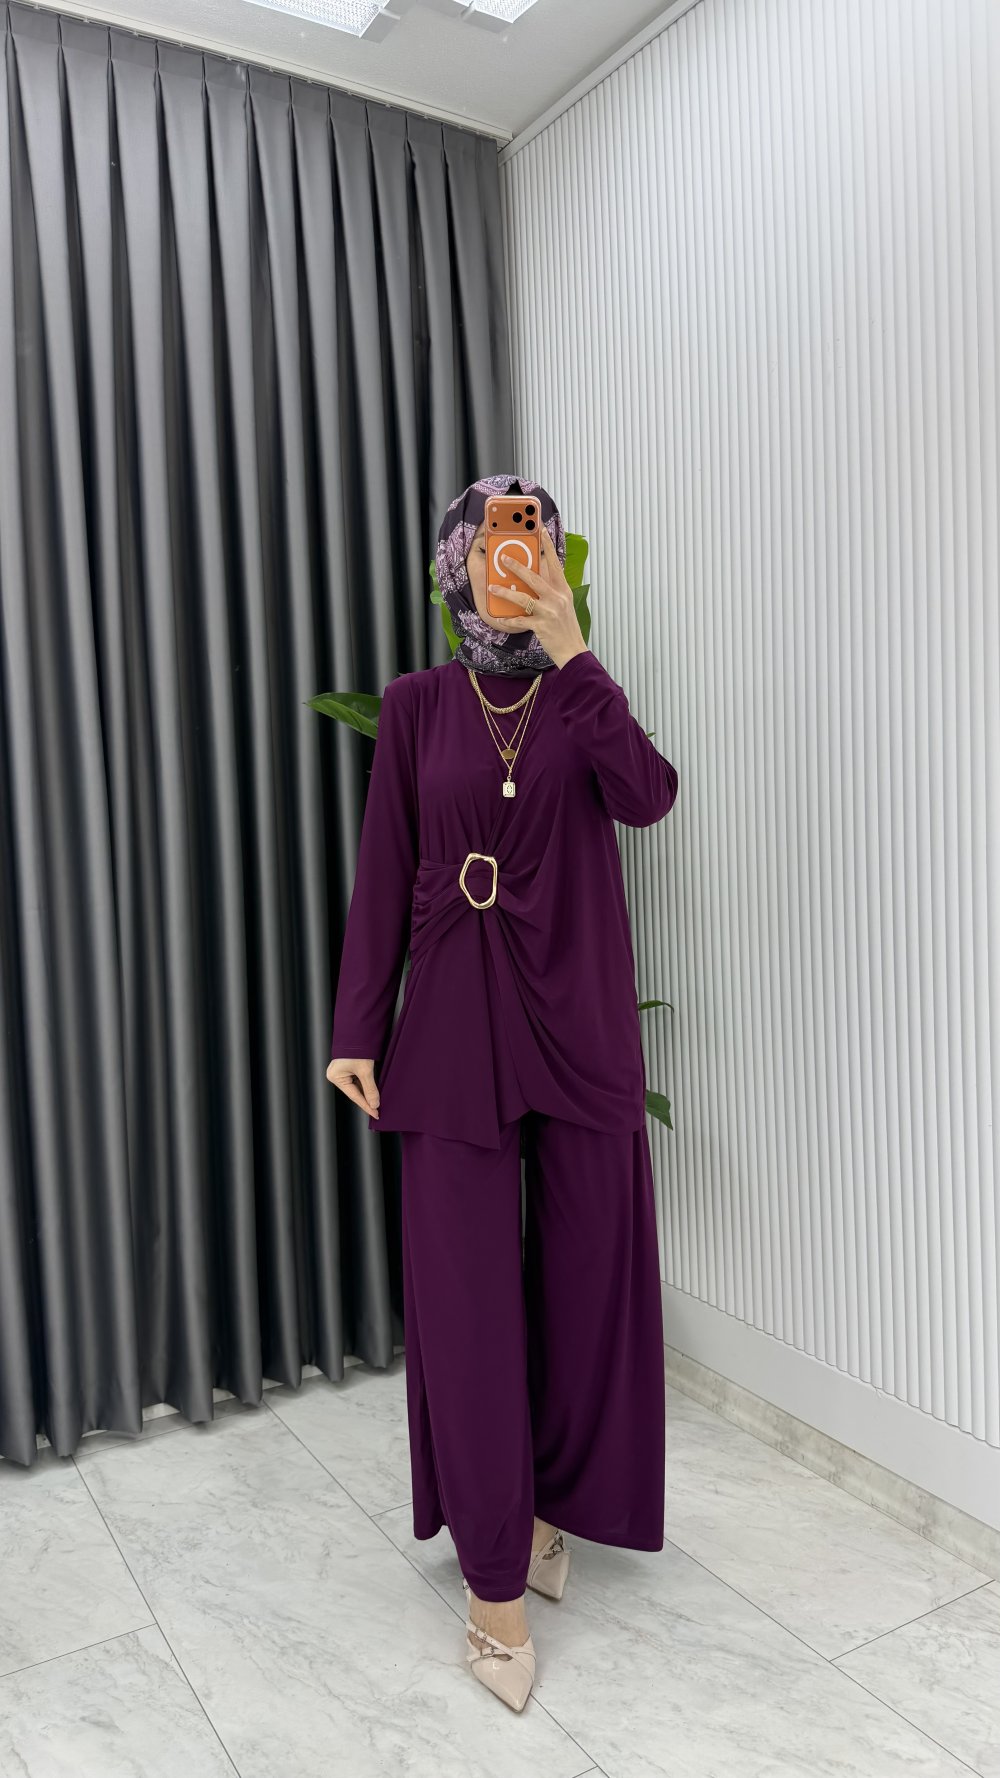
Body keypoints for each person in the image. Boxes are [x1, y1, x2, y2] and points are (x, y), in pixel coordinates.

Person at [327, 473, 678, 1712]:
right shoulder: (418, 706)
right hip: (449, 1026)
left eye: (534, 536)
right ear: (456, 563)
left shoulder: (582, 695)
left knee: (586, 1287)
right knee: (469, 1307)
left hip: (577, 1017)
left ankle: (542, 1505)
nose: (511, 553)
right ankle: (492, 1582)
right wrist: (357, 1024)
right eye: (491, 537)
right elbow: (387, 868)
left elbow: (648, 796)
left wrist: (574, 650)